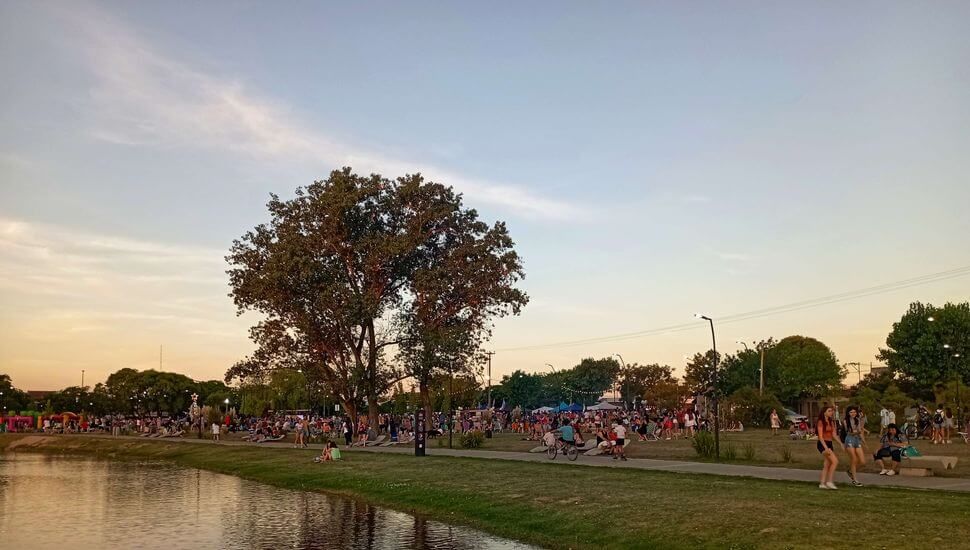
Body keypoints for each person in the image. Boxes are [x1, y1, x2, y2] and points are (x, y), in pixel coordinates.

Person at [816, 406, 844, 489]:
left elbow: (834, 435)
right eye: (829, 411)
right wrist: (825, 448)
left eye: (832, 411)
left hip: (829, 443)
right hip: (822, 444)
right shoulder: (821, 422)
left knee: (827, 464)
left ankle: (822, 483)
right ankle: (829, 481)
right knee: (835, 461)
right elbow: (820, 437)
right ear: (824, 412)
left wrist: (841, 443)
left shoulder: (831, 422)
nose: (831, 412)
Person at [843, 406, 866, 487]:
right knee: (854, 459)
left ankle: (850, 471)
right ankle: (855, 480)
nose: (853, 413)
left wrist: (864, 442)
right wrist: (858, 431)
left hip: (857, 440)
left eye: (854, 412)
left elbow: (860, 431)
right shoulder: (846, 421)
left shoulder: (858, 420)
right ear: (848, 413)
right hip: (849, 440)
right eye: (851, 412)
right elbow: (850, 432)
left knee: (862, 461)